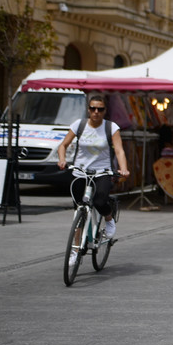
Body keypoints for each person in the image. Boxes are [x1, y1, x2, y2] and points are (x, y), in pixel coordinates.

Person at [56, 95, 129, 264]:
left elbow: (119, 150)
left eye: (100, 109)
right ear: (88, 110)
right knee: (78, 212)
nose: (96, 112)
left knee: (99, 200)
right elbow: (63, 145)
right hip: (80, 172)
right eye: (93, 109)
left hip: (101, 172)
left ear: (105, 111)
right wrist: (62, 159)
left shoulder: (111, 127)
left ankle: (109, 220)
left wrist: (123, 168)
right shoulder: (79, 125)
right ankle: (75, 250)